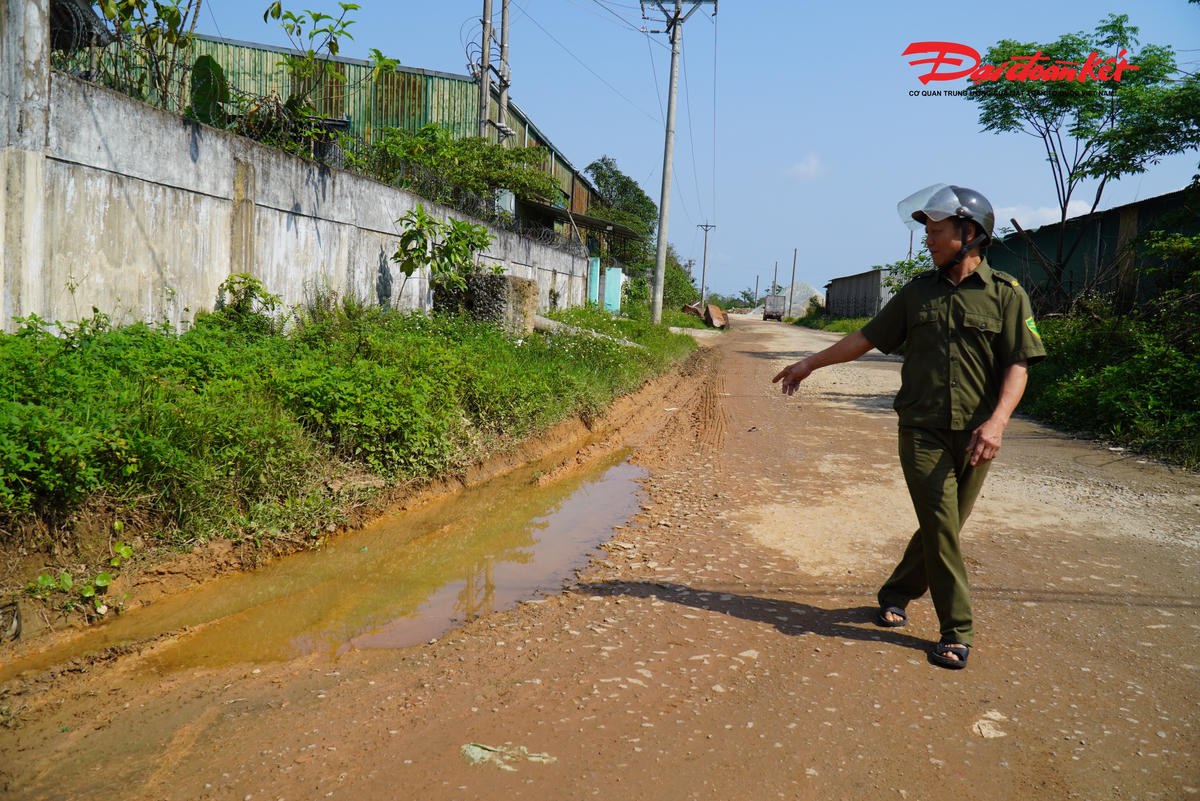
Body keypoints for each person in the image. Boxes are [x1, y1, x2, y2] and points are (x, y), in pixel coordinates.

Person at [771, 185, 1046, 669]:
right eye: (926, 232)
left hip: (977, 433)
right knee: (942, 527)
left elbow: (1019, 365)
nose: (927, 240)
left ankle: (896, 591)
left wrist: (998, 423)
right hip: (922, 430)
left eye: (936, 232)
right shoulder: (917, 293)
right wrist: (810, 362)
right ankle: (957, 631)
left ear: (970, 233)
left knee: (945, 526)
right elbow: (865, 338)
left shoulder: (1007, 295)